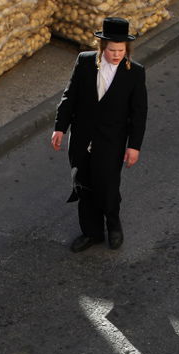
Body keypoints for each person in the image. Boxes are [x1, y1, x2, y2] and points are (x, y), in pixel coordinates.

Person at [51, 17, 148, 252]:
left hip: (111, 142)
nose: (116, 55)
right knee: (83, 186)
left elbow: (139, 113)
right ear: (102, 47)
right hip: (82, 139)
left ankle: (113, 227)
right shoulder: (84, 63)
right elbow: (69, 97)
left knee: (107, 187)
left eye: (121, 50)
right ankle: (91, 233)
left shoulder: (135, 73)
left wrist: (134, 146)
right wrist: (60, 127)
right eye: (112, 50)